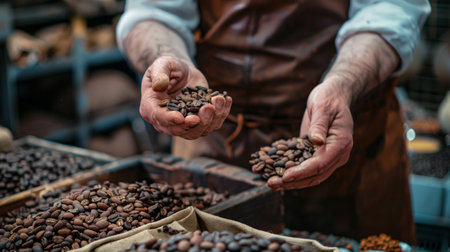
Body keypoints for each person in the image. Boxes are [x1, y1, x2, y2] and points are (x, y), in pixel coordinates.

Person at [117, 0, 430, 244]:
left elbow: (390, 11)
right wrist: (168, 59)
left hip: (345, 140)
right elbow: (153, 12)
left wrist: (343, 83)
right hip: (210, 134)